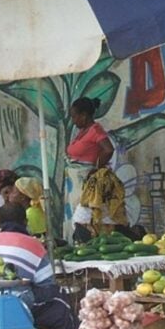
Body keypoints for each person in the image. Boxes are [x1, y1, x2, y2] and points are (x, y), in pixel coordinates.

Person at [0, 204, 78, 329]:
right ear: (25, 222)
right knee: (59, 298)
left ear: (0, 222)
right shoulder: (33, 245)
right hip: (18, 303)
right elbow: (47, 283)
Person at [64, 97, 114, 241]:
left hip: (85, 181)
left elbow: (108, 150)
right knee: (74, 214)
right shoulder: (83, 131)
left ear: (84, 115)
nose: (73, 120)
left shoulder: (95, 130)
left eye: (74, 116)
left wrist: (96, 168)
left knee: (83, 216)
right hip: (74, 184)